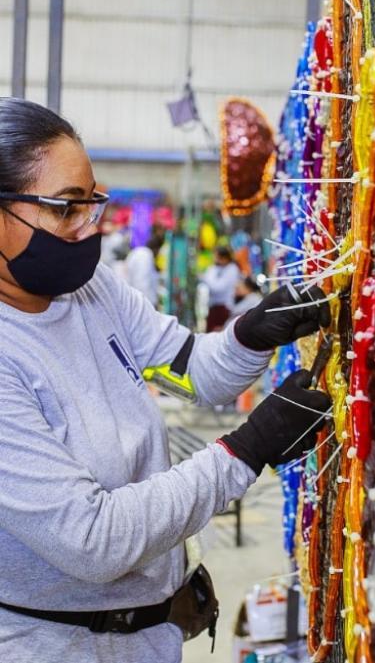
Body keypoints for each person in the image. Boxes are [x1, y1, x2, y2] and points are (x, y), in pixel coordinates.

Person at [0, 97, 332, 660]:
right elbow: (92, 539)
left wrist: (251, 334)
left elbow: (186, 374)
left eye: (91, 205)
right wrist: (244, 452)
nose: (85, 229)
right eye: (64, 208)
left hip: (147, 636)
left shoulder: (93, 293)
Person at [202, 246, 241, 331]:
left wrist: (207, 277)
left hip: (224, 307)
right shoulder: (219, 268)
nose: (215, 260)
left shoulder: (232, 270)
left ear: (224, 258)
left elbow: (217, 288)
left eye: (217, 257)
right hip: (215, 307)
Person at [124, 230, 164, 308]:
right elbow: (142, 283)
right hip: (141, 303)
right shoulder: (145, 255)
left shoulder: (138, 252)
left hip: (133, 300)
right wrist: (151, 305)